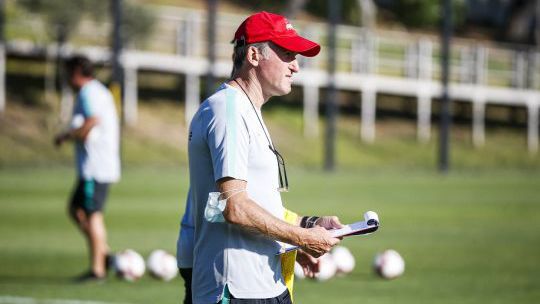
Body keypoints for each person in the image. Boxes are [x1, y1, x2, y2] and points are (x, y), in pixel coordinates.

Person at [177, 11, 342, 304]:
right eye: (288, 54)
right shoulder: (227, 110)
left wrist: (305, 227)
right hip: (237, 290)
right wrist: (302, 237)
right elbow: (233, 207)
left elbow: (224, 204)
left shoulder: (244, 109)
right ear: (254, 54)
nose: (296, 67)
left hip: (265, 283)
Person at [54, 55, 121, 282]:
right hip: (94, 165)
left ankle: (98, 270)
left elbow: (92, 121)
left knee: (92, 215)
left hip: (96, 165)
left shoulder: (89, 92)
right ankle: (104, 254)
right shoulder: (97, 91)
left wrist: (70, 135)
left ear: (75, 72)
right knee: (76, 209)